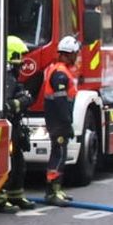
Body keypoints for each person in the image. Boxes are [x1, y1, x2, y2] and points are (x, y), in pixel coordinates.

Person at [0, 36, 37, 214]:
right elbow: (8, 103)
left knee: (18, 162)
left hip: (15, 126)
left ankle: (16, 195)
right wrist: (22, 101)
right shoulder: (7, 77)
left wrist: (24, 99)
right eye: (21, 58)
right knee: (6, 162)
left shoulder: (10, 77)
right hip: (8, 126)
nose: (23, 63)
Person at [42, 35, 80, 207]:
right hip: (58, 122)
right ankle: (52, 191)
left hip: (57, 121)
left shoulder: (59, 69)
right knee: (58, 155)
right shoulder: (60, 74)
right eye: (75, 54)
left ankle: (56, 189)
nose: (76, 57)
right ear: (69, 54)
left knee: (61, 153)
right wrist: (67, 123)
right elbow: (61, 102)